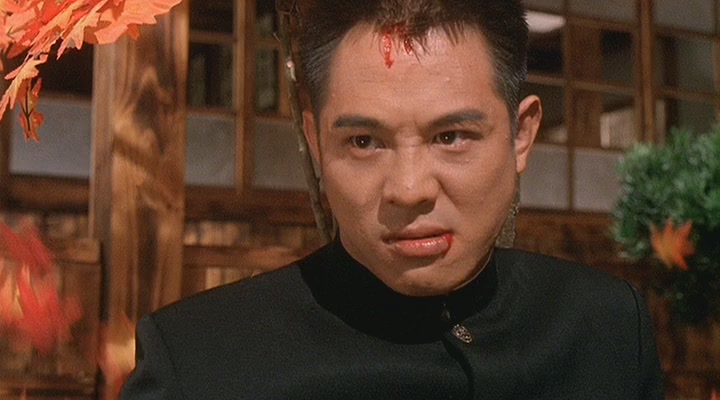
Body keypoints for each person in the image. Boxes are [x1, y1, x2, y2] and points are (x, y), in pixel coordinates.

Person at [120, 0, 664, 398]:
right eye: (364, 142)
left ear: (521, 135)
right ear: (315, 141)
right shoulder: (199, 362)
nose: (409, 189)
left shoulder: (607, 326)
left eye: (451, 137)